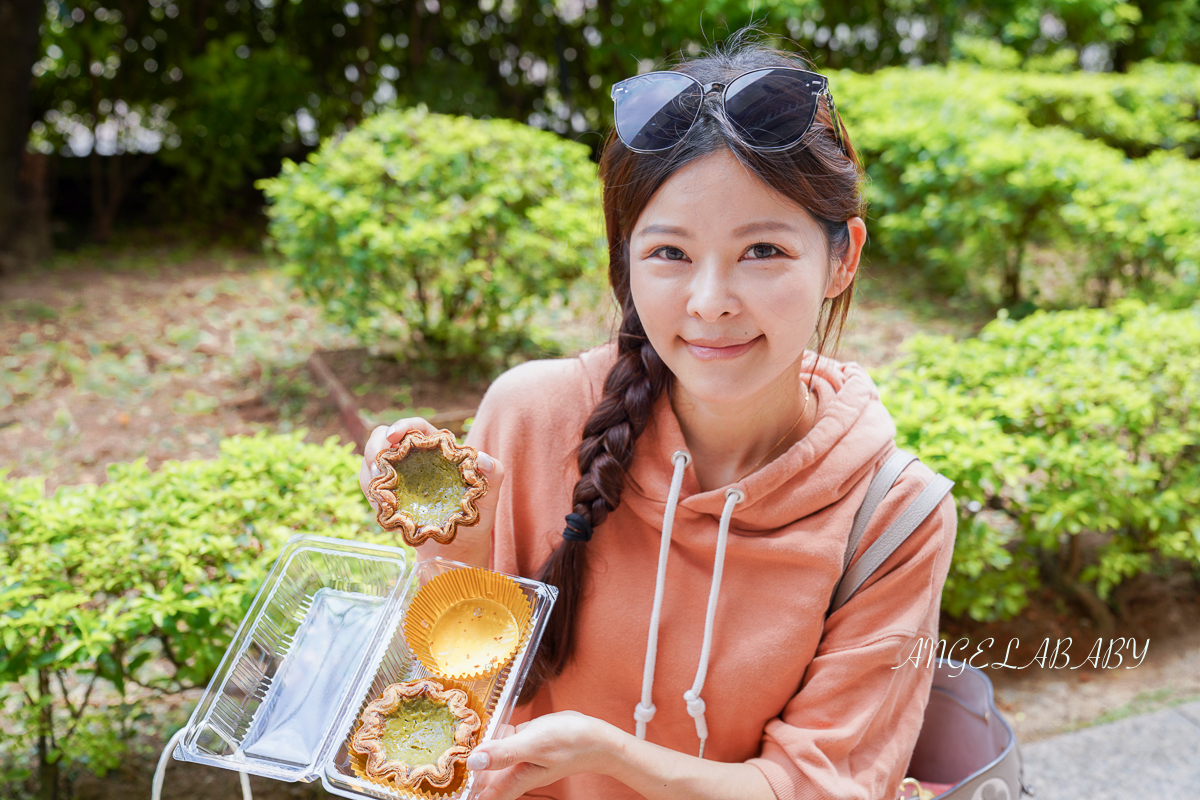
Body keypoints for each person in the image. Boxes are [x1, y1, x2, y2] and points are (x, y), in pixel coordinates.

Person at [360, 37, 956, 800]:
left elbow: (821, 787)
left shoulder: (894, 516)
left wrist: (613, 758)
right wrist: (456, 554)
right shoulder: (531, 417)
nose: (710, 301)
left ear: (843, 260)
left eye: (763, 249)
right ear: (626, 259)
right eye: (670, 253)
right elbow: (447, 716)